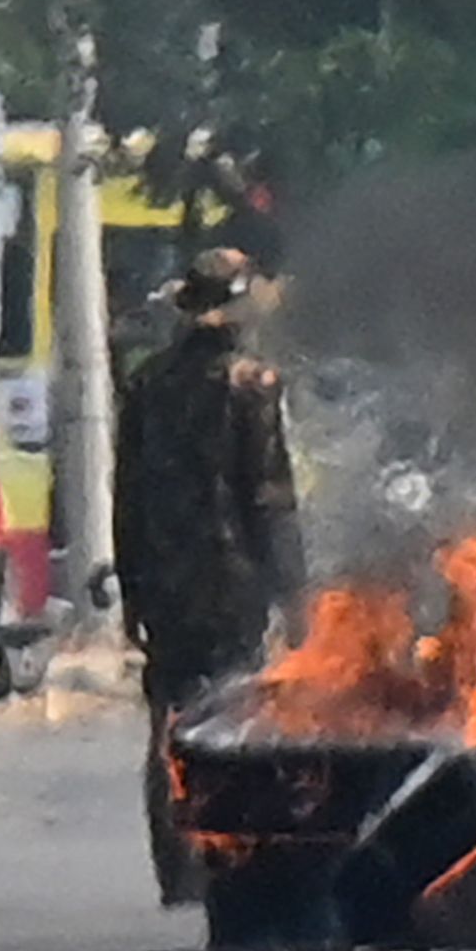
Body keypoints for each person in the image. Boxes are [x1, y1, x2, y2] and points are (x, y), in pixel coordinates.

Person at [113, 246, 307, 906]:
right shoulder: (253, 386)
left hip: (166, 585)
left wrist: (134, 591)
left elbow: (128, 496)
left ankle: (177, 865)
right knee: (232, 719)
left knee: (169, 718)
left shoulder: (147, 383)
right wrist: (295, 590)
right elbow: (271, 499)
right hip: (234, 583)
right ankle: (224, 855)